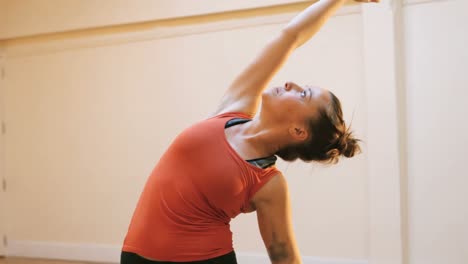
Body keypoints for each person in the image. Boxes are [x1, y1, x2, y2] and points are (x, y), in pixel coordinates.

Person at [121, 0, 378, 263]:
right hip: (134, 257)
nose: (291, 83)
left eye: (303, 94)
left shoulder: (269, 184)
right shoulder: (235, 109)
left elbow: (284, 256)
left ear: (298, 130)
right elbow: (290, 37)